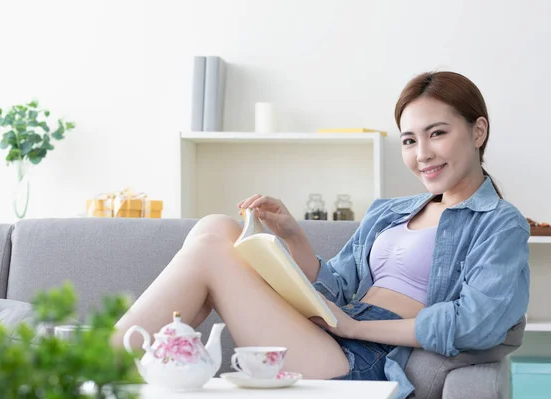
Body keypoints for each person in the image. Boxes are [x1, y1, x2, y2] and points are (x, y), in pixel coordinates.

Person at [111, 71, 530, 399]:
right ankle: (95, 364)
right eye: (409, 140)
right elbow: (336, 285)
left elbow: (474, 324)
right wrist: (294, 237)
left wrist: (354, 328)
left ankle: (88, 363)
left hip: (362, 358)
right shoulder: (389, 211)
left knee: (210, 246)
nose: (422, 154)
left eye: (437, 133)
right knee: (216, 227)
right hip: (332, 330)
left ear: (478, 132)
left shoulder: (499, 222)